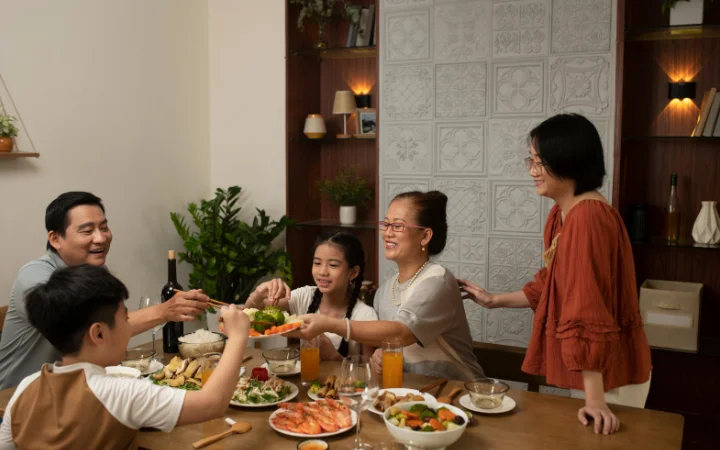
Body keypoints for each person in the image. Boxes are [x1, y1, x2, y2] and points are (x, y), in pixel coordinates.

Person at [459, 114, 652, 435]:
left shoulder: (586, 218)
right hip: (595, 372)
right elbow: (552, 285)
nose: (533, 171)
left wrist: (595, 399)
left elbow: (586, 308)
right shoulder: (564, 213)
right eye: (531, 161)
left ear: (570, 160)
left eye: (541, 162)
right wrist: (493, 300)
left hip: (604, 374)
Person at [0, 264, 250, 449]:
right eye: (125, 317)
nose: (130, 325)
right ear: (98, 334)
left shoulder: (25, 389)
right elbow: (213, 403)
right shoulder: (118, 392)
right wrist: (238, 336)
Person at [0, 192, 209, 389]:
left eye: (104, 227)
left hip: (76, 389)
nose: (100, 238)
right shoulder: (36, 277)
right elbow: (92, 329)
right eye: (87, 231)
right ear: (55, 239)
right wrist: (163, 311)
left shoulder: (95, 271)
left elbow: (111, 329)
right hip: (18, 400)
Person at [293, 191, 483, 380]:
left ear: (425, 236)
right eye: (386, 224)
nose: (387, 233)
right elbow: (386, 347)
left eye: (398, 226)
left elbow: (401, 332)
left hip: (459, 393)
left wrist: (330, 324)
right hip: (408, 394)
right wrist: (378, 357)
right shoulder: (384, 290)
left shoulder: (437, 281)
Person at [245, 231, 377, 360]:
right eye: (317, 263)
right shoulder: (304, 296)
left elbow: (369, 371)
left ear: (353, 272)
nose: (322, 272)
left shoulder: (365, 315)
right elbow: (251, 314)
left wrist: (334, 356)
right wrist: (258, 293)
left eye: (333, 265)